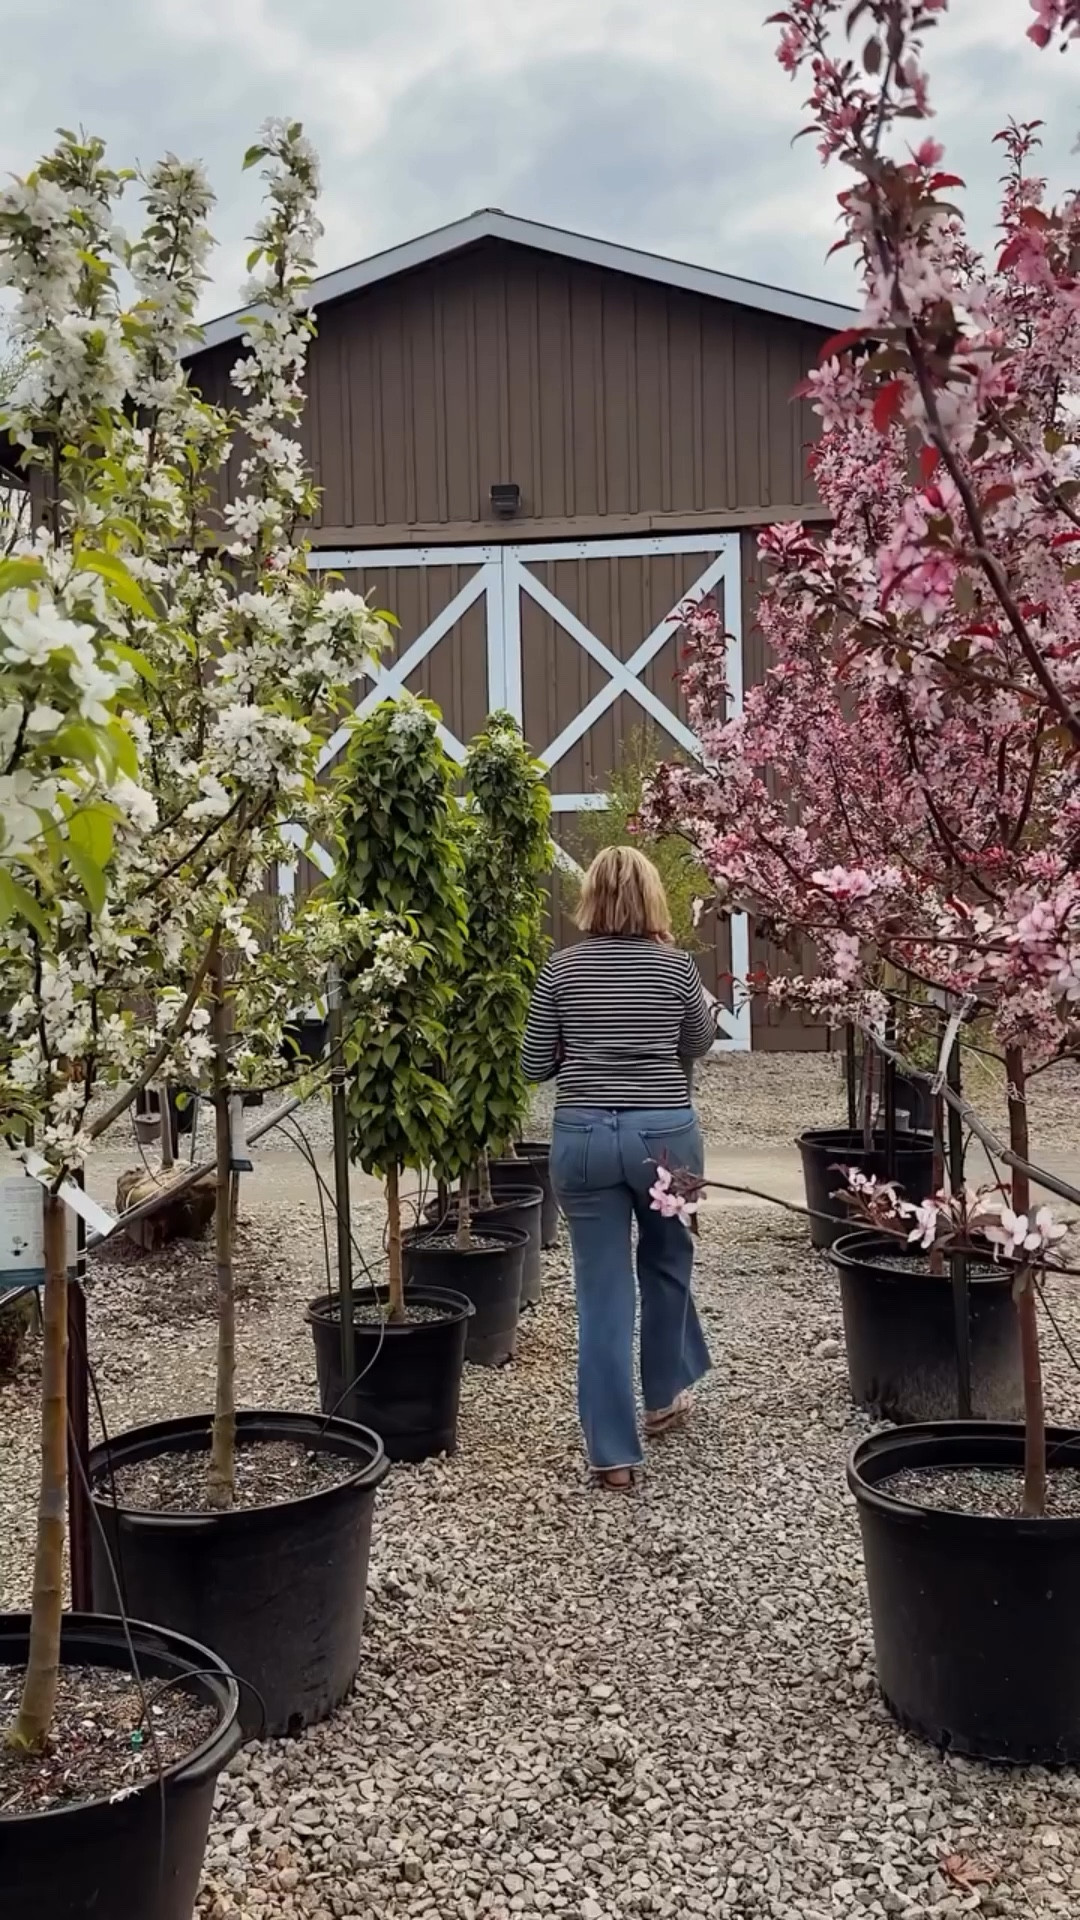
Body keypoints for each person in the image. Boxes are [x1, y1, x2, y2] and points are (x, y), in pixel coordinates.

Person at [521, 845, 717, 1491]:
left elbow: (533, 1065)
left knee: (602, 1294)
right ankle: (662, 1398)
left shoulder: (560, 969)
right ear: (654, 897)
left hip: (583, 1139)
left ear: (591, 898)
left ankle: (612, 1453)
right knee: (667, 1262)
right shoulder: (676, 967)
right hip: (667, 1137)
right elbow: (699, 1042)